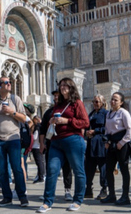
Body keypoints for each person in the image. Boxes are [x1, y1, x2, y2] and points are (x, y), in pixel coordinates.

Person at [37, 78, 89, 213]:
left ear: (71, 87)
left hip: (73, 140)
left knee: (78, 171)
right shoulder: (58, 105)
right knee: (52, 170)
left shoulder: (77, 103)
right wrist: (52, 120)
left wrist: (67, 120)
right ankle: (47, 202)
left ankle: (77, 200)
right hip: (56, 141)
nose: (62, 87)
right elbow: (49, 124)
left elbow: (85, 122)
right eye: (61, 85)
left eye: (65, 85)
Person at [0, 76, 28, 207]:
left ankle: (22, 197)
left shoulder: (16, 99)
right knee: (2, 171)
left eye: (9, 82)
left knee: (17, 168)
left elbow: (24, 118)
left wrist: (12, 112)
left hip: (14, 138)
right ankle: (7, 197)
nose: (9, 84)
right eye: (6, 82)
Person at [100, 92, 131, 206]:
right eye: (112, 99)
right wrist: (107, 141)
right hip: (112, 144)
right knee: (109, 169)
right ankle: (111, 195)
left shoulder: (124, 113)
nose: (113, 102)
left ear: (121, 102)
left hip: (121, 143)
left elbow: (130, 129)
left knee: (124, 169)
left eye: (115, 100)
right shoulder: (109, 114)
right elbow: (107, 129)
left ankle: (125, 196)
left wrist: (122, 142)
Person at [39, 90, 74, 202]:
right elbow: (42, 129)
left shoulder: (67, 111)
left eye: (57, 96)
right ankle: (49, 192)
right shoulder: (49, 112)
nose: (55, 98)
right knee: (51, 168)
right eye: (54, 96)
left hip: (66, 142)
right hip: (51, 143)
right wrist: (41, 143)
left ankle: (67, 190)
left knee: (67, 167)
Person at [84, 94, 108, 200]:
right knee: (89, 167)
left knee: (102, 166)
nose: (95, 104)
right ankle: (88, 188)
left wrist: (96, 131)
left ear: (102, 102)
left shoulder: (106, 114)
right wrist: (87, 133)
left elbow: (108, 128)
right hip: (91, 144)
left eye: (97, 101)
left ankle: (104, 189)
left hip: (100, 143)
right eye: (94, 101)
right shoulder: (91, 114)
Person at [31, 116, 46, 184]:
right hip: (40, 146)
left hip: (36, 146)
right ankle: (41, 176)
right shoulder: (43, 126)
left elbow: (35, 137)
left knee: (39, 162)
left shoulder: (37, 127)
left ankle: (41, 177)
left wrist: (30, 135)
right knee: (41, 162)